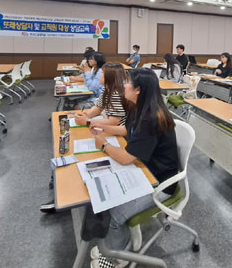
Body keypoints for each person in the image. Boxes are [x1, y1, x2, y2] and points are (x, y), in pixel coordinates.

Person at [90, 68, 178, 268]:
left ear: (138, 90)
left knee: (114, 213)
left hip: (159, 183)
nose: (124, 85)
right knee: (105, 196)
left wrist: (104, 145)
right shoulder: (137, 107)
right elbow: (126, 130)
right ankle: (116, 244)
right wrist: (103, 128)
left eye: (128, 82)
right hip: (144, 170)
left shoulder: (152, 118)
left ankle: (117, 257)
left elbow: (126, 158)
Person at [40, 63, 129, 214]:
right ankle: (61, 186)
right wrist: (87, 114)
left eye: (102, 74)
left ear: (109, 77)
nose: (100, 75)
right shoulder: (107, 89)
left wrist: (88, 122)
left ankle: (70, 194)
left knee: (85, 154)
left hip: (115, 133)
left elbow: (114, 122)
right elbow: (98, 108)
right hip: (105, 127)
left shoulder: (116, 94)